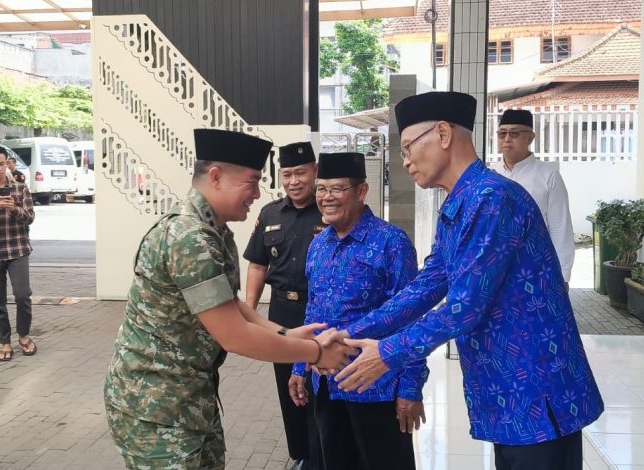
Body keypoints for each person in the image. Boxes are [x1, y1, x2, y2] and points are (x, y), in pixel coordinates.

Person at [322, 92, 603, 470]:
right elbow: (426, 285)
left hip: (537, 388)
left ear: (442, 134)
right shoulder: (460, 203)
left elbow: (464, 307)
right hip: (506, 387)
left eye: (408, 147)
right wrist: (347, 333)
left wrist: (387, 353)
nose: (405, 161)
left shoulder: (492, 197)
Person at [103, 129, 353, 470]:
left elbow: (231, 305)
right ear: (216, 176)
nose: (257, 193)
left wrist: (285, 333)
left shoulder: (213, 230)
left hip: (189, 399)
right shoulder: (189, 237)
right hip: (155, 406)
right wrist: (317, 353)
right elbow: (234, 336)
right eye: (252, 181)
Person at [288, 152, 427, 470]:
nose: (326, 197)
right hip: (326, 385)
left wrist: (410, 387)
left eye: (337, 189)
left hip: (377, 386)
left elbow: (411, 318)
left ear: (361, 191)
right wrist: (300, 365)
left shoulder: (391, 242)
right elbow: (313, 310)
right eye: (321, 189)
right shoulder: (318, 245)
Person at [243, 142, 325, 470]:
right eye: (287, 174)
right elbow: (257, 265)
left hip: (319, 313)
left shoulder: (329, 209)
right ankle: (301, 453)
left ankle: (321, 454)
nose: (294, 181)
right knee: (287, 385)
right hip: (282, 313)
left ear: (315, 171)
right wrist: (249, 311)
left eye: (300, 173)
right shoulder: (270, 214)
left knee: (319, 385)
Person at [491, 109, 575, 286]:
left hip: (535, 268)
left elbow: (560, 227)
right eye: (502, 133)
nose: (507, 139)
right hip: (494, 269)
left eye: (514, 133)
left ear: (530, 138)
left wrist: (562, 275)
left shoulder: (548, 176)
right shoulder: (490, 174)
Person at [0, 145, 36, 362]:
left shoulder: (20, 188)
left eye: (2, 163)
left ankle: (24, 336)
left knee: (23, 295)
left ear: (7, 163)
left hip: (18, 249)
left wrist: (12, 208)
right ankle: (5, 342)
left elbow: (30, 217)